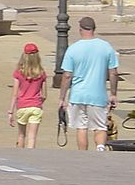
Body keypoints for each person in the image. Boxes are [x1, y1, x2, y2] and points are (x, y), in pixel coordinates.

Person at [57, 16, 120, 153]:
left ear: (80, 29)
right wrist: (113, 94)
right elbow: (113, 73)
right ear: (94, 29)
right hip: (98, 95)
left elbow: (67, 75)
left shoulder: (73, 49)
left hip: (78, 95)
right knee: (100, 126)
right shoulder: (106, 47)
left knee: (81, 127)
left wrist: (62, 97)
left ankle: (83, 154)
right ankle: (100, 147)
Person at [8, 42, 48, 149]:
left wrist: (10, 111)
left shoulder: (19, 73)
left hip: (22, 106)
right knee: (32, 137)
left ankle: (20, 155)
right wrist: (37, 102)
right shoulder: (41, 73)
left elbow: (15, 94)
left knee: (21, 135)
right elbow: (44, 95)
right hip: (35, 106)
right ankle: (31, 156)